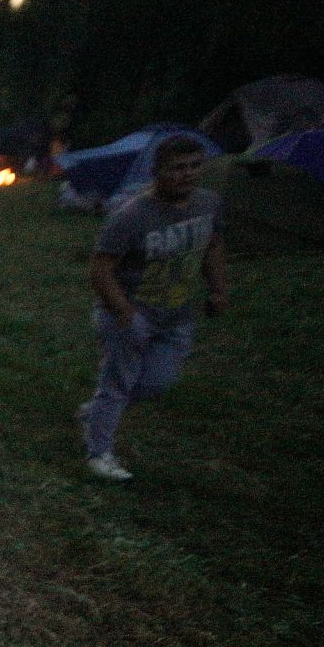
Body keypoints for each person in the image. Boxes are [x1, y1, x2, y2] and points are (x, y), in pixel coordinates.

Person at [77, 135, 228, 482]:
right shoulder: (131, 216)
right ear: (157, 171)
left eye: (194, 166)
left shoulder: (209, 204)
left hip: (176, 316)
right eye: (177, 168)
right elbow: (100, 270)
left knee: (157, 382)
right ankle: (98, 454)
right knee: (117, 385)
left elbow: (213, 247)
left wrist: (219, 291)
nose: (187, 175)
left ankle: (96, 414)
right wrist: (126, 315)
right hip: (130, 314)